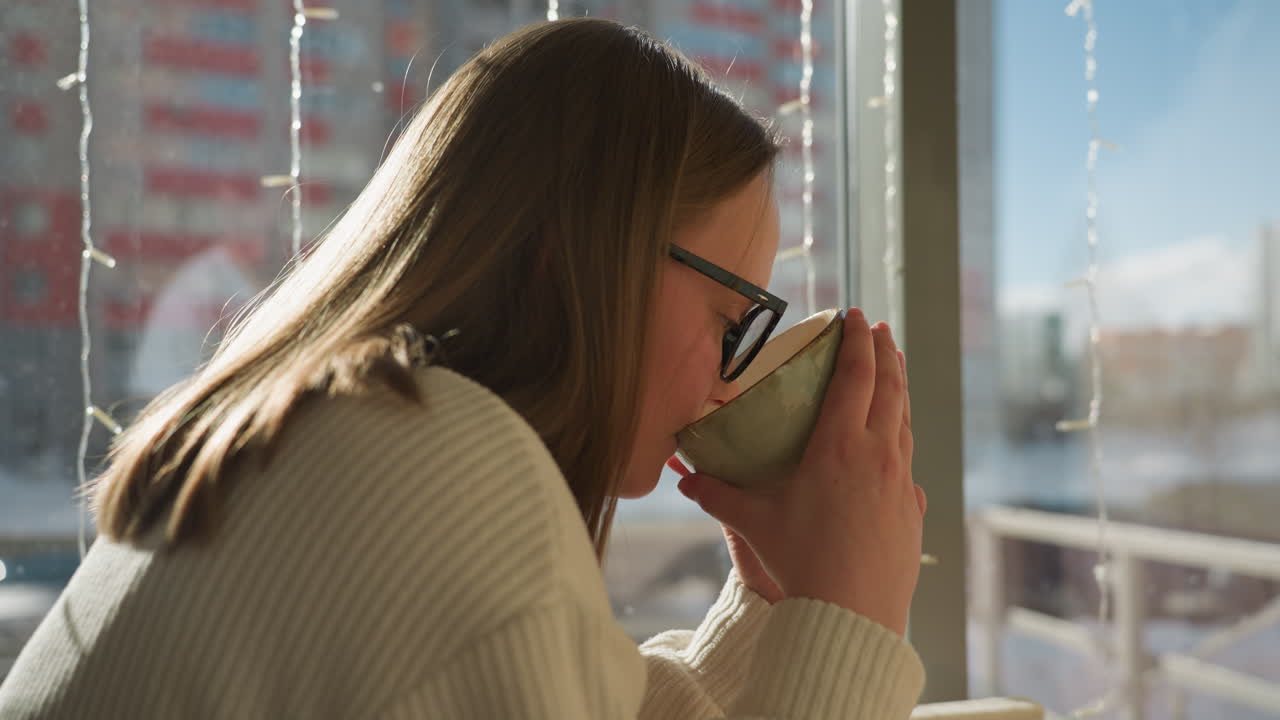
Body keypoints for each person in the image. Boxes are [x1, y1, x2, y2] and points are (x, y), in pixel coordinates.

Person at [0, 18, 927, 719]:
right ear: (584, 254)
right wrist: (849, 617)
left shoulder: (358, 431)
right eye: (732, 319)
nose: (730, 381)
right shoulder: (436, 465)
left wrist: (776, 608)